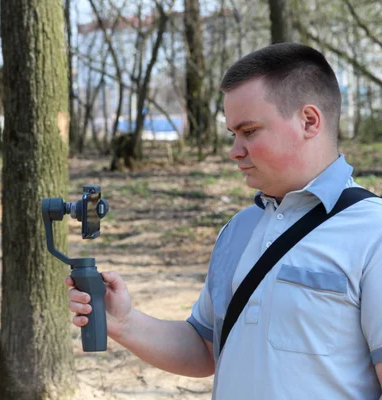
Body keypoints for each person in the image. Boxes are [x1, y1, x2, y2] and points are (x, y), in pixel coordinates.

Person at [66, 42, 382, 399]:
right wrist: (123, 323)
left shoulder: (374, 233)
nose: (234, 150)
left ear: (309, 121)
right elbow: (204, 348)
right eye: (233, 134)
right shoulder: (240, 229)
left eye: (249, 131)